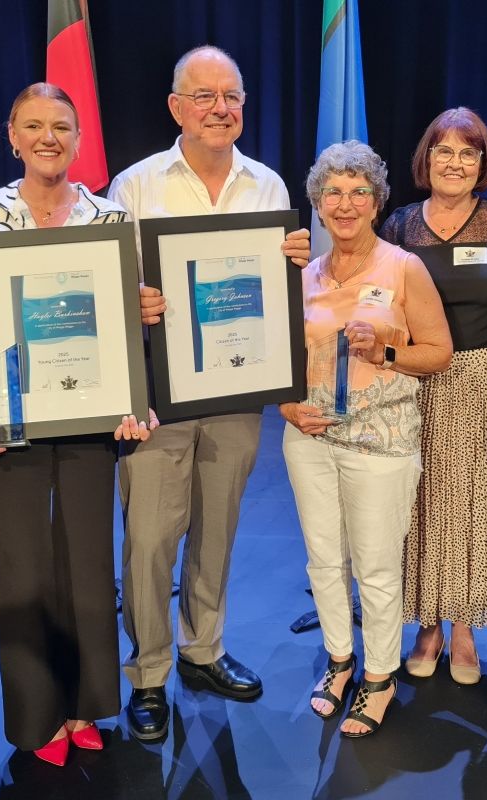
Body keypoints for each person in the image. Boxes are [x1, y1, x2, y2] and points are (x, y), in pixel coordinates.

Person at [0, 83, 157, 767]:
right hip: (6, 423)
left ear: (79, 137)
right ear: (11, 135)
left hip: (90, 421)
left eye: (61, 125)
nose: (47, 137)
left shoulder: (111, 219)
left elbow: (123, 334)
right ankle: (38, 718)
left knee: (88, 567)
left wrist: (133, 394)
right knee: (23, 570)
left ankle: (85, 703)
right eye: (33, 125)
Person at [107, 44, 311, 743]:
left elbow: (282, 296)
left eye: (232, 96)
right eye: (204, 96)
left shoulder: (269, 186)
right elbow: (109, 291)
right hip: (159, 395)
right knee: (149, 538)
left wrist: (295, 267)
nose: (221, 108)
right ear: (176, 108)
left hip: (236, 389)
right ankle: (149, 673)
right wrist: (130, 300)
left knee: (217, 529)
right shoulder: (133, 187)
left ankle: (203, 649)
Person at [282, 140, 452, 737]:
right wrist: (285, 406)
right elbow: (274, 357)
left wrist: (383, 350)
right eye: (333, 192)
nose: (345, 203)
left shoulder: (403, 267)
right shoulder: (301, 275)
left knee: (377, 570)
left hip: (382, 442)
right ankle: (339, 661)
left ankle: (379, 677)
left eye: (358, 192)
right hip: (310, 440)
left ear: (377, 202)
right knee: (324, 561)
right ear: (317, 204)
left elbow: (439, 353)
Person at [379, 108, 487, 685]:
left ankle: (465, 623)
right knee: (420, 504)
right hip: (415, 382)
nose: (455, 162)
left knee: (474, 506)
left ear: (483, 162)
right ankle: (428, 623)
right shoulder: (398, 225)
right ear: (426, 159)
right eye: (443, 150)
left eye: (468, 152)